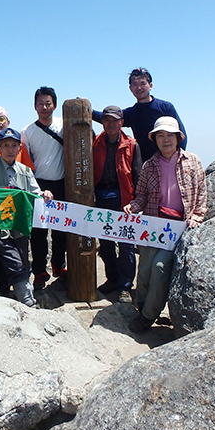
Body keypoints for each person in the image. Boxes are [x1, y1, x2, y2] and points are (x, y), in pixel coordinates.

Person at [123, 116, 207, 333]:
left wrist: (198, 214)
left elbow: (202, 192)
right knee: (144, 270)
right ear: (155, 139)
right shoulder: (150, 165)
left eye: (170, 135)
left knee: (160, 269)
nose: (166, 139)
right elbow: (141, 195)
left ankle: (148, 316)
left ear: (178, 138)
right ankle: (141, 306)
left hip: (179, 228)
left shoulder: (192, 161)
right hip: (154, 226)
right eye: (161, 135)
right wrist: (133, 206)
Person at [0, 128, 53, 307]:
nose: (10, 149)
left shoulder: (25, 171)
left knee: (22, 263)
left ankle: (7, 299)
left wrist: (45, 194)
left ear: (20, 148)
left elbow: (35, 194)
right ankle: (28, 302)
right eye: (5, 145)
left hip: (19, 228)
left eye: (14, 145)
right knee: (16, 265)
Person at [92, 105, 143, 303]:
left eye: (115, 120)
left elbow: (137, 175)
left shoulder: (132, 145)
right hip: (101, 196)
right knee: (105, 243)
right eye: (107, 120)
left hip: (123, 199)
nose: (110, 124)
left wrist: (138, 203)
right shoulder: (96, 142)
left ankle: (125, 286)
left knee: (126, 244)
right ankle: (112, 279)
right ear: (102, 122)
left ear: (122, 122)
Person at [21, 86, 68, 288]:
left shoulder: (65, 126)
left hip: (63, 182)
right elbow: (24, 161)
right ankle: (39, 271)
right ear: (34, 106)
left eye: (48, 103)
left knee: (61, 229)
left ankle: (58, 265)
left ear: (54, 105)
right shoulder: (27, 131)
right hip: (38, 183)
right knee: (39, 231)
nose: (44, 106)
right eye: (40, 103)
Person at [93, 67, 187, 160]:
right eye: (135, 84)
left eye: (143, 83)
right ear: (130, 88)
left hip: (169, 160)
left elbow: (181, 134)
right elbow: (109, 119)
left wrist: (178, 159)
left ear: (150, 85)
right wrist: (89, 112)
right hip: (145, 164)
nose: (139, 88)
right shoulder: (131, 113)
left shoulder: (165, 107)